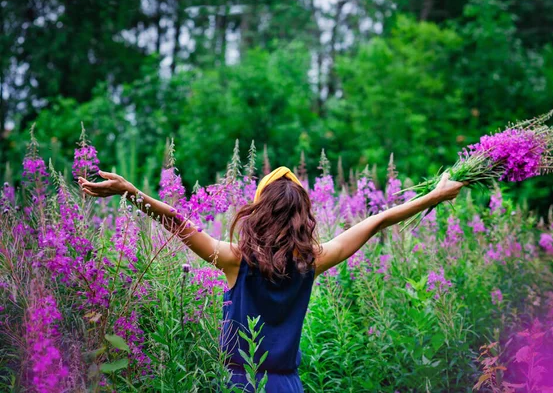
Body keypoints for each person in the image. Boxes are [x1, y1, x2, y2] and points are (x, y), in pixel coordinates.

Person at [79, 166, 464, 392]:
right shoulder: (313, 261)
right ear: (302, 213)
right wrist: (436, 194)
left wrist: (130, 193)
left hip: (238, 382)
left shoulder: (234, 260)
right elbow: (378, 219)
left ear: (259, 210)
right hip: (285, 385)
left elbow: (178, 223)